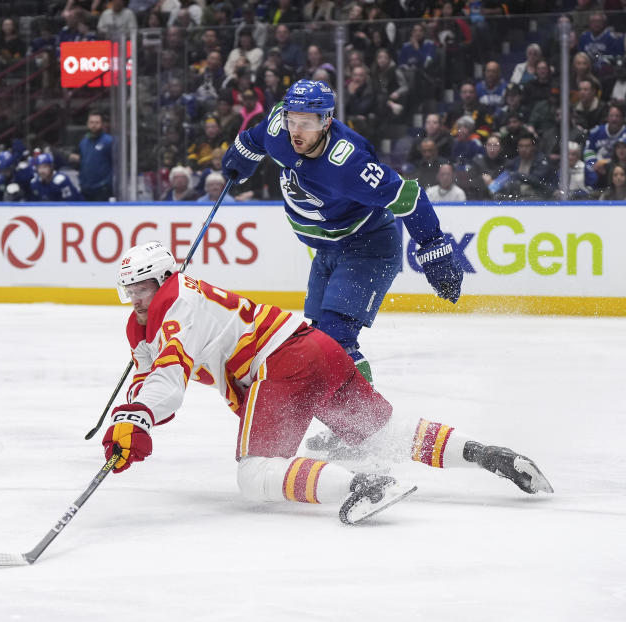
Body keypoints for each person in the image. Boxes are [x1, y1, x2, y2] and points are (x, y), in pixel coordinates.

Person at [102, 242, 552, 525]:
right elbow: (149, 373)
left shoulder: (178, 309)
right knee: (384, 433)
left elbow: (168, 378)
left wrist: (137, 418)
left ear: (162, 280)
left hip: (284, 364)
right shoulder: (163, 308)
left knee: (255, 474)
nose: (136, 300)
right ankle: (486, 454)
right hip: (318, 349)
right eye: (130, 292)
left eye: (142, 288)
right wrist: (131, 418)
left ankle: (361, 487)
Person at [222, 79, 464, 387]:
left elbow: (409, 197)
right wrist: (241, 155)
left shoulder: (349, 164)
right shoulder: (277, 130)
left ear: (326, 121)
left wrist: (434, 249)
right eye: (291, 120)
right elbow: (256, 138)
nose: (296, 131)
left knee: (337, 341)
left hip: (368, 247)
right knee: (319, 342)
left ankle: (367, 424)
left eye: (306, 123)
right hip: (328, 250)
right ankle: (349, 428)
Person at [69, 110, 114, 201]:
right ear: (87, 124)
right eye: (91, 122)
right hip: (86, 188)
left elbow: (114, 163)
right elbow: (81, 161)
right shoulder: (83, 141)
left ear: (102, 124)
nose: (94, 125)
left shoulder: (109, 141)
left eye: (97, 122)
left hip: (102, 189)